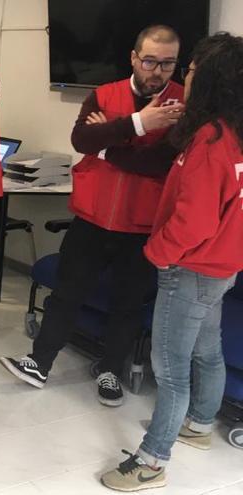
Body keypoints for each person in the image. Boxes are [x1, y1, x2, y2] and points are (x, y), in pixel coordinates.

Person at [0, 25, 186, 406]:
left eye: (167, 64)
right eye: (150, 61)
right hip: (92, 217)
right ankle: (39, 362)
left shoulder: (182, 105)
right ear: (134, 58)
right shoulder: (104, 94)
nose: (157, 72)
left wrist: (107, 146)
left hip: (141, 225)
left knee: (127, 304)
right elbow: (81, 141)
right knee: (67, 293)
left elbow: (158, 162)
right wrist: (138, 125)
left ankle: (109, 371)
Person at [101, 32, 243, 492]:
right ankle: (200, 425)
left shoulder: (210, 140)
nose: (186, 75)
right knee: (207, 349)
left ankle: (152, 460)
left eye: (193, 68)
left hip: (192, 268)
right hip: (222, 267)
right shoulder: (235, 133)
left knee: (170, 365)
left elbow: (194, 220)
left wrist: (156, 253)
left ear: (211, 79)